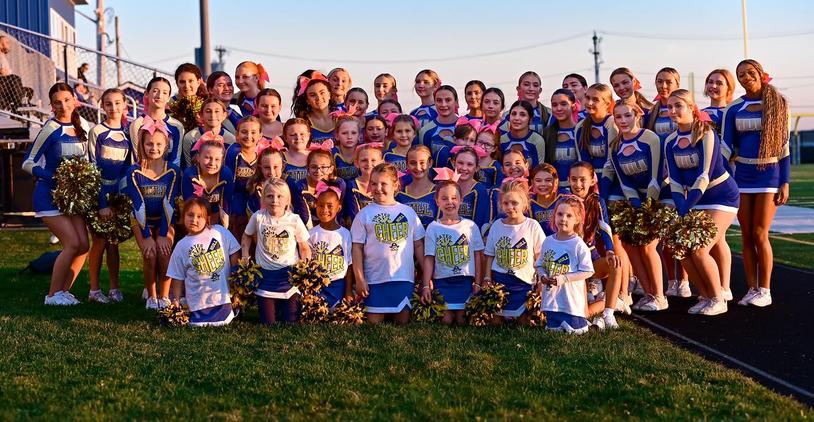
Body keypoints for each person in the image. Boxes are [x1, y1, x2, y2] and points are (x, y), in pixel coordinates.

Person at [665, 89, 740, 315]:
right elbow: (676, 180)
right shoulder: (670, 140)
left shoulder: (706, 133)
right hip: (694, 199)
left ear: (691, 107)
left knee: (699, 248)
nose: (673, 111)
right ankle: (706, 295)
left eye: (678, 106)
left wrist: (685, 208)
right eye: (670, 107)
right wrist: (680, 206)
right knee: (682, 250)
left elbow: (703, 175)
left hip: (721, 196)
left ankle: (718, 298)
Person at [723, 59, 790, 307]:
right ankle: (751, 289)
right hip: (741, 175)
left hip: (769, 175)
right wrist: (720, 174)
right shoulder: (734, 108)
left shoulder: (777, 103)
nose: (745, 77)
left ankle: (765, 289)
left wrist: (785, 181)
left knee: (760, 232)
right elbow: (726, 145)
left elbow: (784, 146)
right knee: (746, 234)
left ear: (761, 74)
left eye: (750, 72)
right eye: (740, 74)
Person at [22, 83, 91, 306]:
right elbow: (27, 162)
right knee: (71, 243)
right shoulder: (51, 128)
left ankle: (64, 291)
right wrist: (51, 175)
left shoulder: (84, 126)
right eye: (57, 102)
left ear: (75, 100)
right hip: (49, 195)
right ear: (51, 106)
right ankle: (51, 295)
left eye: (67, 100)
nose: (63, 106)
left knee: (83, 246)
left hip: (74, 198)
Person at [604, 101, 668, 312]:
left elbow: (656, 177)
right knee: (631, 246)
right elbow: (624, 182)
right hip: (635, 200)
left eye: (627, 116)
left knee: (649, 246)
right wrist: (636, 204)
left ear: (638, 114)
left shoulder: (650, 138)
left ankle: (660, 296)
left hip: (659, 197)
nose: (623, 121)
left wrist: (647, 208)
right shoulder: (615, 145)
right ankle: (649, 293)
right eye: (618, 117)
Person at [351, 163, 425, 324]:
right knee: (373, 325)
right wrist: (360, 278)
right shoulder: (364, 214)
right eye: (374, 183)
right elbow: (356, 248)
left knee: (402, 323)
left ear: (395, 185)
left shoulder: (408, 212)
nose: (378, 188)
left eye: (383, 184)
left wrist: (426, 276)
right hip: (374, 279)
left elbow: (418, 245)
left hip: (403, 278)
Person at [124, 115, 181, 309]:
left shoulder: (173, 170)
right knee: (150, 253)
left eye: (158, 144)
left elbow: (170, 203)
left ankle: (164, 295)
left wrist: (164, 234)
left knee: (164, 252)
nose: (154, 148)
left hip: (166, 219)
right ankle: (151, 295)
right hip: (141, 221)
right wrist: (147, 235)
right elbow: (138, 205)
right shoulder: (134, 171)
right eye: (149, 144)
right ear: (142, 144)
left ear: (166, 145)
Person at [87, 88, 134, 304]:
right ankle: (94, 290)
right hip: (99, 194)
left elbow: (128, 167)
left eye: (117, 103)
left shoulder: (128, 133)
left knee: (113, 242)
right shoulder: (97, 131)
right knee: (99, 241)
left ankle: (115, 288)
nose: (113, 108)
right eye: (108, 104)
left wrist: (121, 198)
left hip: (118, 196)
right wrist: (101, 202)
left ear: (125, 105)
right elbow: (92, 167)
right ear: (103, 107)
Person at [243, 178, 311, 324]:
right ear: (263, 199)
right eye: (270, 196)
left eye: (280, 196)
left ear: (287, 200)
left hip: (289, 277)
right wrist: (245, 256)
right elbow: (246, 236)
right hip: (265, 276)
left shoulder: (294, 219)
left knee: (291, 321)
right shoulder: (258, 217)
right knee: (268, 323)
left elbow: (304, 247)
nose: (275, 200)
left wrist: (305, 270)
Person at [422, 169, 485, 325]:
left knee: (463, 320)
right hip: (443, 282)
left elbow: (478, 256)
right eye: (444, 198)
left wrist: (477, 282)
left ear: (461, 200)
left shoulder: (470, 226)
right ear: (437, 201)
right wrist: (425, 284)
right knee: (446, 321)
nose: (449, 202)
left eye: (454, 198)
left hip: (465, 282)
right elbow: (429, 257)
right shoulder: (433, 227)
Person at [167, 198, 240, 327]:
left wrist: (236, 282)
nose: (194, 220)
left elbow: (234, 251)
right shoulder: (181, 246)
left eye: (199, 216)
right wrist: (176, 300)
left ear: (207, 219)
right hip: (197, 304)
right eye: (190, 215)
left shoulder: (219, 231)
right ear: (183, 216)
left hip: (222, 298)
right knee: (198, 323)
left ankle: (229, 312)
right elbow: (177, 277)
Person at [483, 177, 546, 323]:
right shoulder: (497, 225)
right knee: (495, 323)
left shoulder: (532, 225)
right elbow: (489, 255)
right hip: (500, 283)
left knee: (525, 323)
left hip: (524, 283)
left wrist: (541, 281)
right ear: (501, 204)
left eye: (515, 203)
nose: (510, 207)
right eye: (506, 203)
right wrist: (487, 277)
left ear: (524, 203)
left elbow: (540, 256)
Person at [536, 196, 594, 334]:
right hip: (552, 300)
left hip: (571, 301)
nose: (563, 219)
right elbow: (539, 265)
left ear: (577, 219)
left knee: (577, 331)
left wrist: (564, 278)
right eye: (560, 214)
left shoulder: (578, 244)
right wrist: (543, 276)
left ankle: (597, 323)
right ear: (554, 216)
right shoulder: (548, 241)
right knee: (553, 330)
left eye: (569, 216)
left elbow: (588, 271)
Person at [308, 181, 354, 308]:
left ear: (338, 208)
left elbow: (349, 265)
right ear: (315, 206)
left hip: (338, 285)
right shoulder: (311, 234)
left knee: (338, 318)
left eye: (330, 206)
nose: (324, 210)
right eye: (320, 206)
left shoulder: (345, 234)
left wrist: (348, 291)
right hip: (317, 285)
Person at [130, 77, 185, 166]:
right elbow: (138, 157)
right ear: (147, 94)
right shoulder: (137, 124)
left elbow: (176, 159)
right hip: (143, 175)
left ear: (168, 98)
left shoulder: (177, 126)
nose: (159, 96)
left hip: (169, 175)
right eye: (155, 91)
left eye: (164, 93)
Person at [182, 134, 234, 228]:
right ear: (198, 158)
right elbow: (190, 205)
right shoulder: (190, 175)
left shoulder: (226, 174)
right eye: (207, 157)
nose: (212, 163)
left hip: (218, 219)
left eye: (217, 159)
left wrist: (223, 228)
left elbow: (226, 205)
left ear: (222, 161)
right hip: (195, 220)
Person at [225, 116, 261, 241]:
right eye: (244, 132)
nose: (248, 136)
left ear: (260, 135)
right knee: (238, 235)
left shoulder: (261, 155)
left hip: (255, 202)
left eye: (253, 132)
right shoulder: (234, 154)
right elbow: (228, 186)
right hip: (236, 202)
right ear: (237, 135)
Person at [544, 89, 582, 191]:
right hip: (553, 192)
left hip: (578, 189)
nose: (559, 108)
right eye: (555, 105)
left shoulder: (581, 131)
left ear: (573, 106)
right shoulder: (547, 133)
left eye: (564, 104)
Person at [181, 98, 236, 168]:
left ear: (224, 115)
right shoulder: (191, 137)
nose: (212, 115)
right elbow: (189, 165)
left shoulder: (231, 140)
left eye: (217, 111)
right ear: (201, 115)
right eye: (208, 111)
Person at [396, 145, 437, 228]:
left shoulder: (439, 192)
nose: (418, 167)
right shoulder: (399, 193)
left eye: (422, 163)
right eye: (413, 163)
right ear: (407, 164)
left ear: (430, 163)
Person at [343, 143, 383, 226]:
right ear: (356, 163)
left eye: (373, 160)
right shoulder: (352, 185)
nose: (369, 163)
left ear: (381, 162)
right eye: (364, 160)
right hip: (360, 228)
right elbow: (354, 214)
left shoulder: (386, 184)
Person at [500, 101, 546, 169]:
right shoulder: (502, 139)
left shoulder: (537, 140)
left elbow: (539, 170)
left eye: (522, 115)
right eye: (513, 114)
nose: (516, 118)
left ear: (530, 119)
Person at [293, 71, 335, 141]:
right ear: (307, 100)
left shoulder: (340, 119)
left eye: (322, 93)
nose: (319, 98)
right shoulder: (303, 123)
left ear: (329, 94)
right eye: (313, 95)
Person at [419, 85, 460, 154]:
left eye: (448, 100)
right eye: (439, 100)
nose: (443, 104)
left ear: (456, 102)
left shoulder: (465, 127)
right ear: (434, 103)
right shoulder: (425, 131)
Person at [281, 118, 312, 183]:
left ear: (308, 136)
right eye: (293, 135)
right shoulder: (279, 157)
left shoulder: (316, 156)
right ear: (285, 137)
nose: (298, 137)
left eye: (302, 134)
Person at [333, 115, 361, 182]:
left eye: (353, 133)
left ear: (359, 135)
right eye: (344, 133)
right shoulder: (331, 153)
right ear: (337, 136)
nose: (349, 137)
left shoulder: (364, 152)